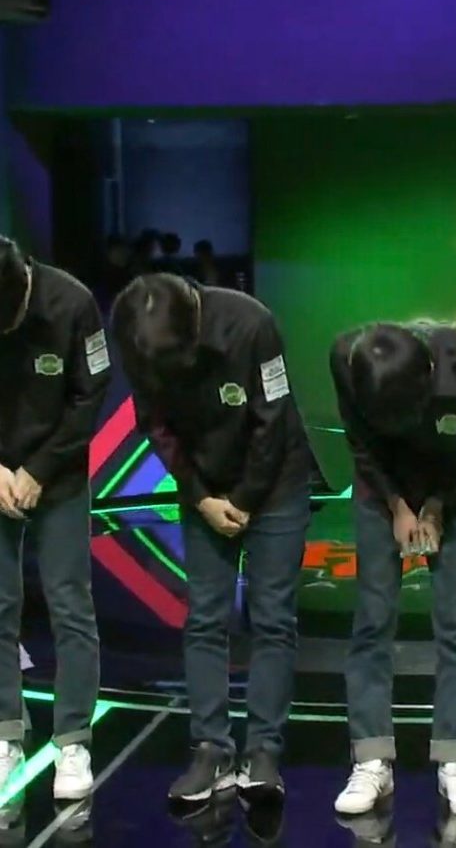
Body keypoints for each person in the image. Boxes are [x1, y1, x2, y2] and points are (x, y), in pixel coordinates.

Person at [111, 273, 310, 804]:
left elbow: (273, 419)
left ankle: (263, 750)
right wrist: (200, 497)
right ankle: (211, 748)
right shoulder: (136, 336)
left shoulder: (251, 324)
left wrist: (243, 499)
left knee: (272, 618)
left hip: (275, 483)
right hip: (202, 484)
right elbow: (155, 425)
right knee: (204, 617)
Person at [330, 322, 456, 818]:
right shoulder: (346, 358)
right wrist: (398, 506)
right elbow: (361, 445)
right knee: (373, 618)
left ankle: (455, 759)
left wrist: (436, 506)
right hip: (383, 487)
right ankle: (371, 759)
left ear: (428, 374)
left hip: (453, 481)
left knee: (455, 618)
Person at [0, 236, 110, 799]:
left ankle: (73, 741)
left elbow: (90, 396)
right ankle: (6, 733)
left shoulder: (73, 303)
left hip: (59, 474)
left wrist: (39, 469)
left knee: (70, 603)